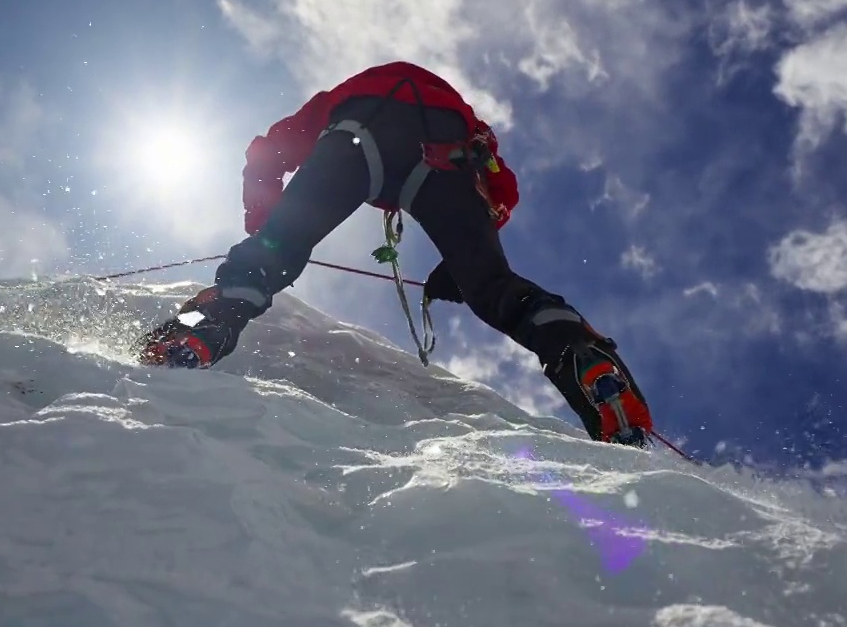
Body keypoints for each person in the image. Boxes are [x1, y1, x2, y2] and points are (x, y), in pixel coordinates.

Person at [133, 61, 655, 446]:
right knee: (497, 291)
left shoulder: (346, 91)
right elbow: (504, 193)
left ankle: (203, 327)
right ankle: (586, 363)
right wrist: (468, 259)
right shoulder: (468, 121)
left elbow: (266, 152)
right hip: (449, 157)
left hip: (357, 135)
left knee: (272, 254)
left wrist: (266, 224)